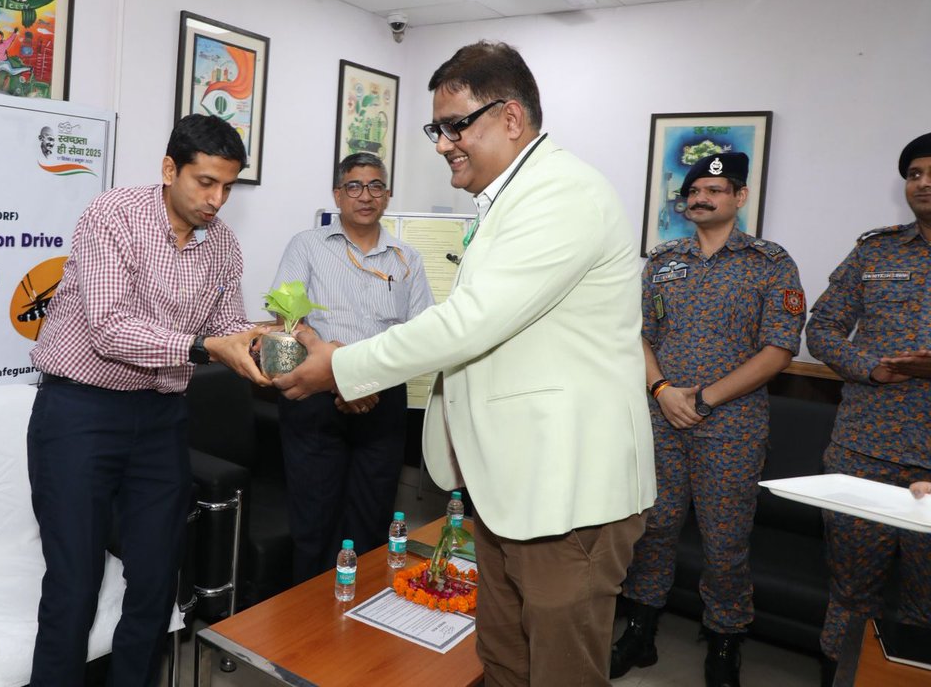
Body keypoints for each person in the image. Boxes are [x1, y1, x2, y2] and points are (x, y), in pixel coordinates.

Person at [275, 40, 656, 686]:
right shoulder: (506, 202)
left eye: (456, 125)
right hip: (511, 489)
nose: (444, 142)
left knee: (558, 671)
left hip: (568, 492)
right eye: (437, 128)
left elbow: (466, 323)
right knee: (505, 663)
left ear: (510, 118)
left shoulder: (561, 193)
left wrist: (341, 367)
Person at [26, 113, 271, 687]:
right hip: (81, 414)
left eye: (228, 187)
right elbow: (111, 329)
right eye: (205, 182)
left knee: (158, 578)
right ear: (169, 169)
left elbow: (226, 326)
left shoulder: (223, 246)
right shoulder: (113, 216)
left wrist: (267, 338)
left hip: (161, 418)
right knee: (75, 583)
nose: (217, 200)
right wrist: (205, 346)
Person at [612, 153, 805, 687]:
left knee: (725, 543)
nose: (701, 197)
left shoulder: (770, 262)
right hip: (661, 417)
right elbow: (638, 334)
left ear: (739, 198)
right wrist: (662, 389)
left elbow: (780, 349)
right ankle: (640, 631)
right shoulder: (662, 260)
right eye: (695, 189)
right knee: (652, 529)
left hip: (732, 428)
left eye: (716, 189)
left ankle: (724, 644)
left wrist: (704, 400)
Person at [270, 152, 434, 581]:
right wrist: (341, 377)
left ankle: (362, 626)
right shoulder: (306, 245)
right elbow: (286, 319)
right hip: (316, 397)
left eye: (376, 186)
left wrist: (367, 381)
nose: (366, 195)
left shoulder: (407, 260)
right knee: (314, 521)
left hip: (382, 401)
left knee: (371, 517)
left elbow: (420, 336)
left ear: (388, 194)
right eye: (355, 186)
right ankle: (306, 632)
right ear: (338, 195)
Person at [805, 132, 931, 686]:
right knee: (852, 587)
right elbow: (823, 328)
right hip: (865, 451)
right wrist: (870, 366)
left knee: (926, 597)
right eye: (915, 173)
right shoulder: (876, 251)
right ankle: (839, 675)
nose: (924, 184)